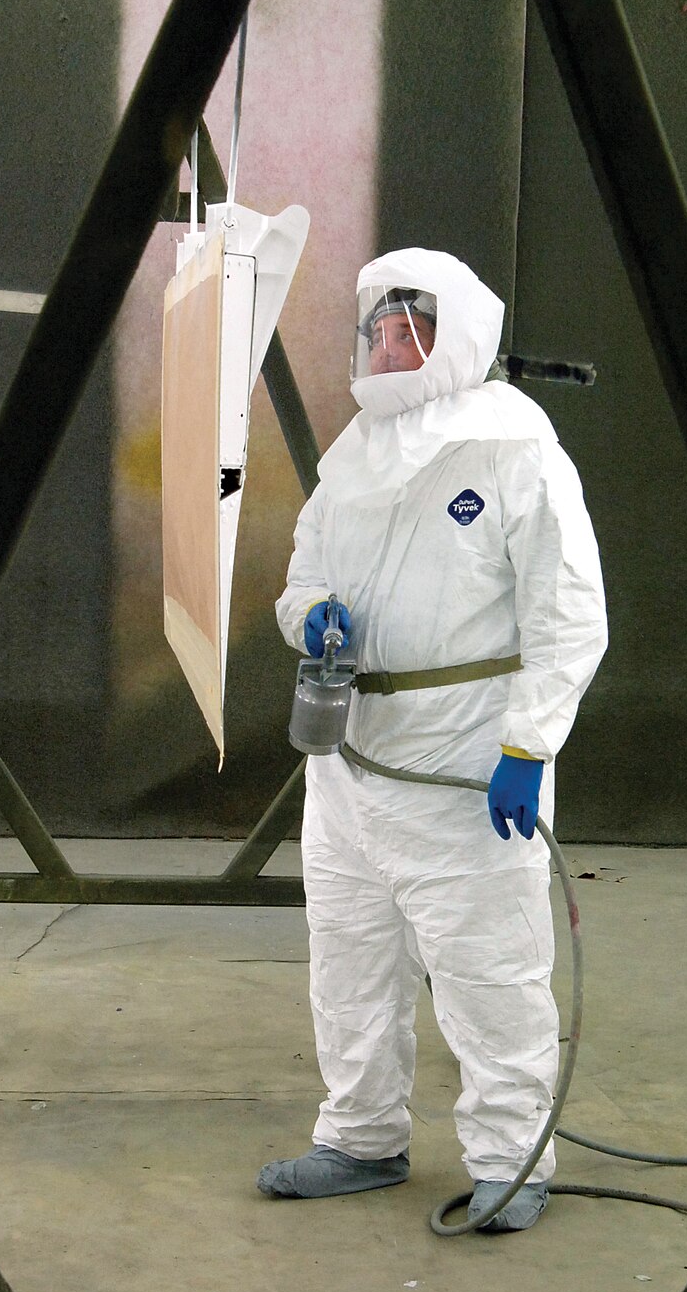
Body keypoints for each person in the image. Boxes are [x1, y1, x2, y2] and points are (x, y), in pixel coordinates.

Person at [258, 247, 607, 1231]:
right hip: (352, 761)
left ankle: (512, 1157)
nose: (384, 339)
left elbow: (570, 614)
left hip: (464, 759)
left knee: (487, 968)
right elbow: (301, 576)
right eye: (374, 322)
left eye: (406, 321)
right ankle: (360, 1136)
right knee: (350, 957)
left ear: (453, 328)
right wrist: (317, 612)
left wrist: (529, 745)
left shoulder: (513, 445)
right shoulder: (360, 449)